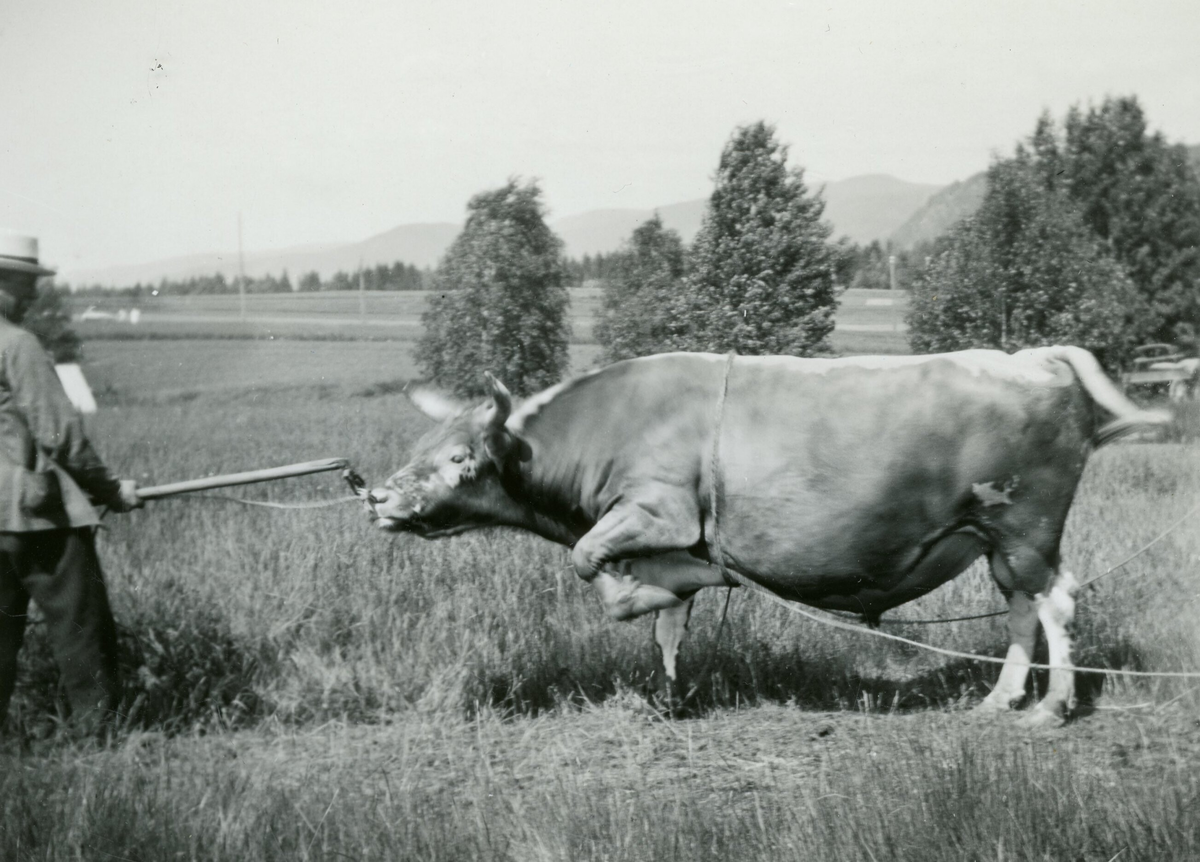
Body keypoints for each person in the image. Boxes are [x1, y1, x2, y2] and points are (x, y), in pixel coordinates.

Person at [0, 233, 141, 739]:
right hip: (33, 513)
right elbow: (60, 435)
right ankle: (99, 744)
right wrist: (110, 491)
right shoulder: (16, 343)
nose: (33, 297)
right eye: (23, 285)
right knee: (82, 628)